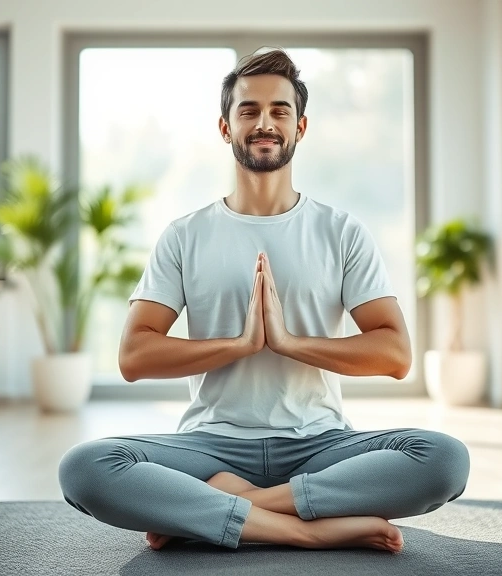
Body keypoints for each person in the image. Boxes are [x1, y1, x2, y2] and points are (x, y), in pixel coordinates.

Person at [58, 48, 470, 554]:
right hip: (210, 448)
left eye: (279, 111)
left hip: (320, 444)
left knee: (445, 459)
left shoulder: (340, 232)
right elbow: (134, 356)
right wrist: (239, 344)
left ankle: (223, 509)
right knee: (84, 468)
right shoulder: (185, 235)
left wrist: (288, 342)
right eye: (248, 111)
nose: (264, 123)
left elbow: (395, 354)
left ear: (300, 126)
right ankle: (306, 529)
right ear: (225, 127)